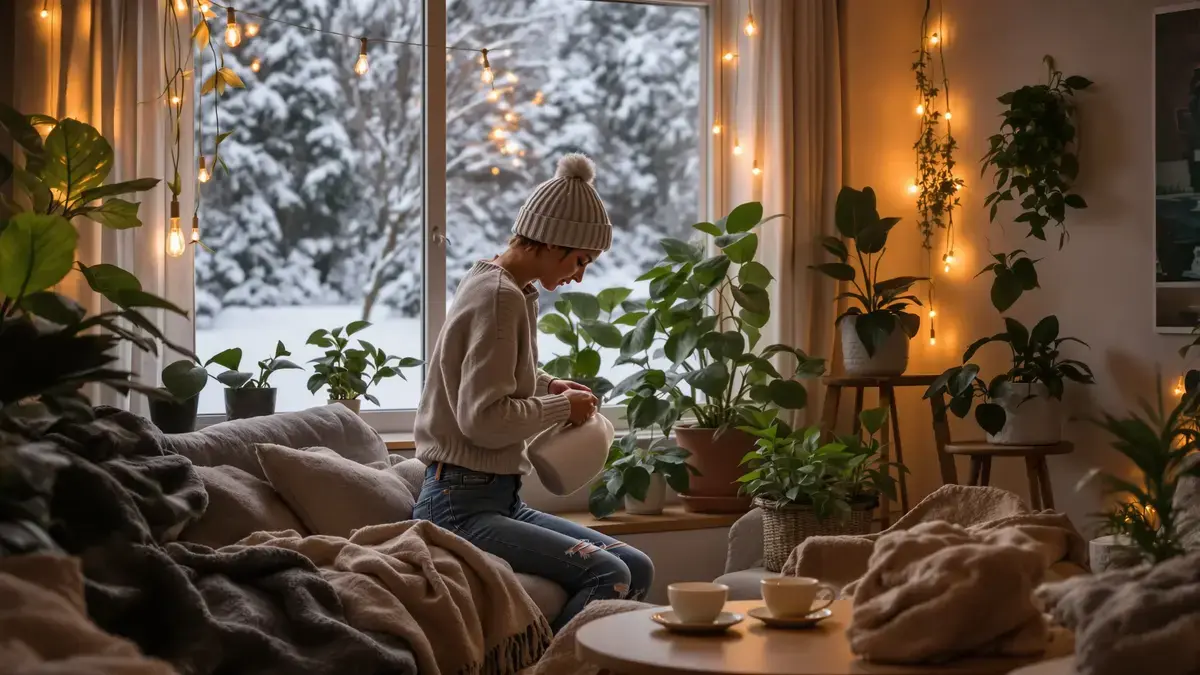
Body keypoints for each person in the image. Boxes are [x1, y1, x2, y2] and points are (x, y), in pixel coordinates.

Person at [412, 153, 654, 632]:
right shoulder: (500, 296)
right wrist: (563, 405)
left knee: (637, 567)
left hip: (498, 498)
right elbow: (482, 418)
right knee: (611, 573)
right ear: (551, 242)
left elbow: (489, 374)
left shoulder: (504, 285)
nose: (579, 276)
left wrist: (549, 385)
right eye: (580, 260)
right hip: (459, 505)